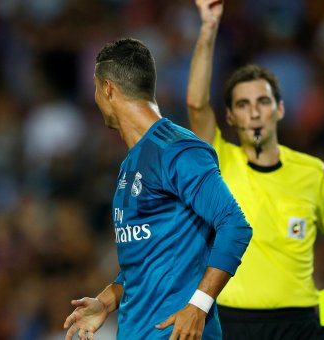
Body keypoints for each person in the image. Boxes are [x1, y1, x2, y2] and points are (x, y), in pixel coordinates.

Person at [187, 1, 324, 339]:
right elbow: (196, 104)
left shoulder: (313, 172)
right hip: (233, 322)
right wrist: (208, 29)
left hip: (301, 322)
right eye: (243, 104)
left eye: (262, 102)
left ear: (279, 109)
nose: (254, 112)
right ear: (231, 117)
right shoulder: (219, 161)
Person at [63, 38, 252, 340]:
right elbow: (149, 259)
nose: (95, 97)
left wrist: (199, 305)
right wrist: (106, 301)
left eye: (97, 89)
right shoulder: (132, 163)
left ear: (108, 89)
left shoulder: (177, 149)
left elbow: (235, 225)